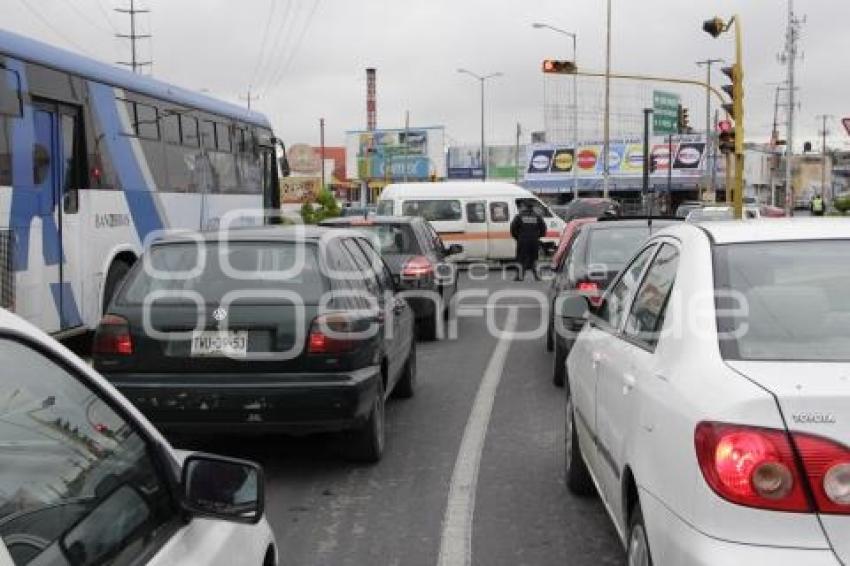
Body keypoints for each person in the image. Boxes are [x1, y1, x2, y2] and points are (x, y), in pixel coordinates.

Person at [510, 201, 547, 281]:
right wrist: (537, 236)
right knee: (534, 258)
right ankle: (537, 276)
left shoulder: (519, 216)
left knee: (521, 258)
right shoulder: (537, 217)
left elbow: (513, 229)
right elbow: (543, 229)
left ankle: (520, 276)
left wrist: (518, 237)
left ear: (525, 207)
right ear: (532, 208)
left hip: (522, 241)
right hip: (534, 241)